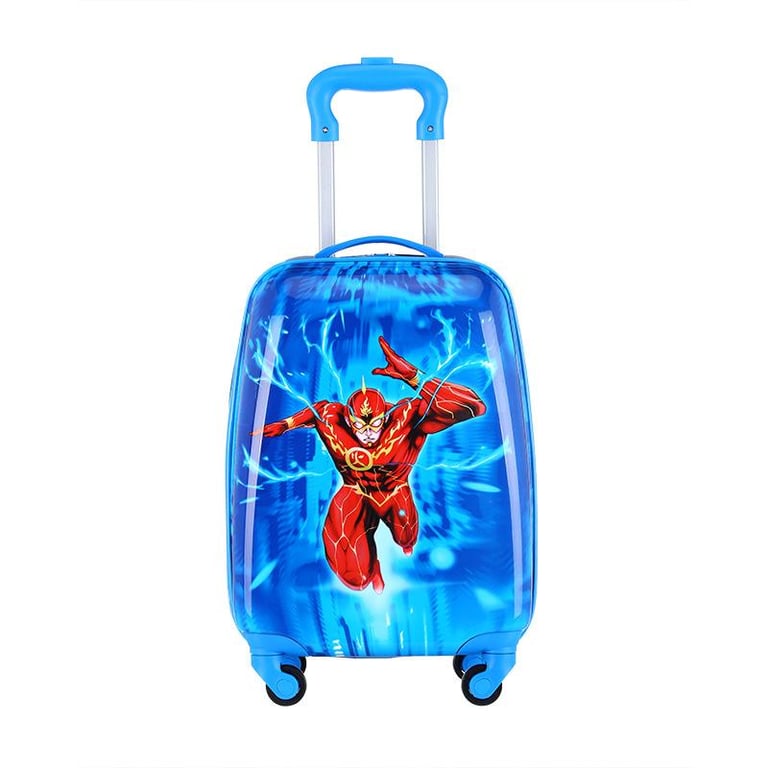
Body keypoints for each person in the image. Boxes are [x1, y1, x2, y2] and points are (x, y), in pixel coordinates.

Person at [259, 336, 486, 593]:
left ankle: (405, 543)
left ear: (385, 416)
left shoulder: (406, 418)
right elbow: (315, 412)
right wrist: (286, 424)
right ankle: (372, 566)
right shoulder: (332, 418)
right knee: (352, 573)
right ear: (348, 419)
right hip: (356, 490)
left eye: (375, 424)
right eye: (360, 426)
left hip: (394, 490)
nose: (367, 433)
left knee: (405, 536)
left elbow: (473, 406)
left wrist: (414, 378)